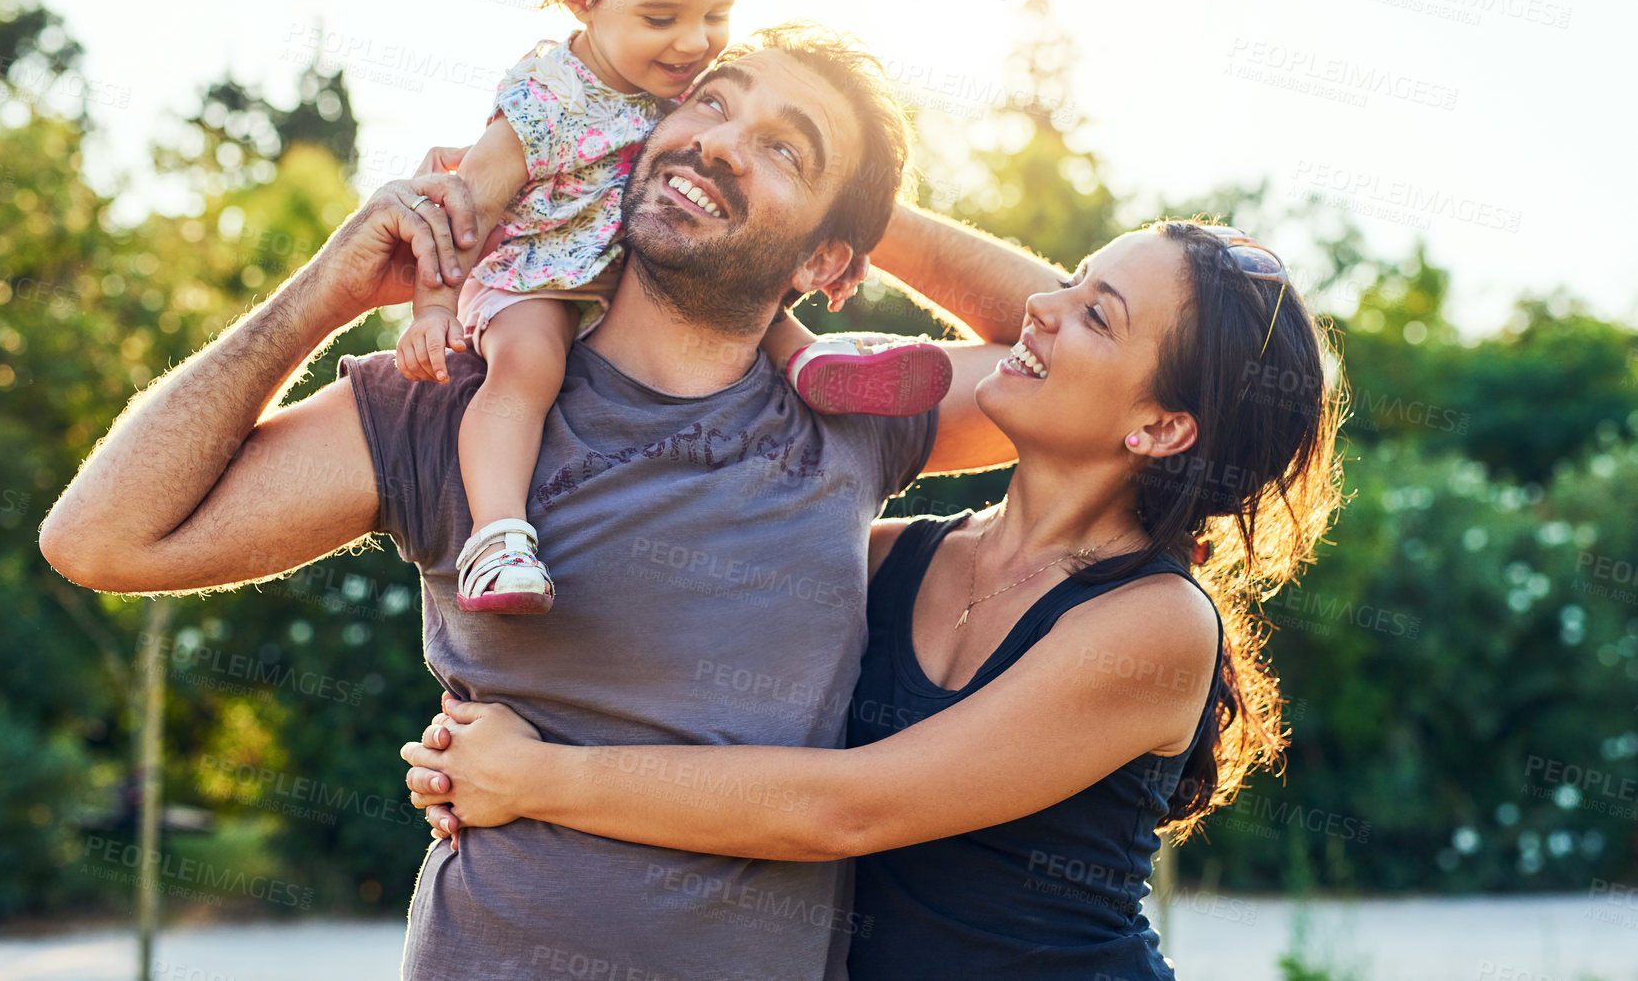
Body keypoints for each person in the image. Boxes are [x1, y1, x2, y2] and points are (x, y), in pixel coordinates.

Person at [39, 22, 1062, 981]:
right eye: (707, 103)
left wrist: (870, 216)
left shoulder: (852, 408)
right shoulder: (458, 397)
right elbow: (102, 538)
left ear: (827, 262)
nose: (714, 146)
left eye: (781, 149)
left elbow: (1110, 366)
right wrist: (326, 291)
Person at [401, 220, 1347, 978]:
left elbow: (845, 811)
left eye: (1096, 313)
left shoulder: (1155, 624)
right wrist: (477, 746)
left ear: (1163, 424)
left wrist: (536, 779)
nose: (1039, 306)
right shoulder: (891, 559)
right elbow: (659, 625)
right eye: (1071, 281)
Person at [394, 0, 950, 615]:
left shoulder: (674, 87)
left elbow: (758, 199)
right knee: (527, 367)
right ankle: (497, 538)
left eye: (715, 15)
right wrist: (427, 309)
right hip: (535, 276)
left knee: (745, 284)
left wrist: (848, 230)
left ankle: (814, 363)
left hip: (618, 265)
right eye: (663, 17)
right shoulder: (546, 99)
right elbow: (459, 208)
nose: (693, 44)